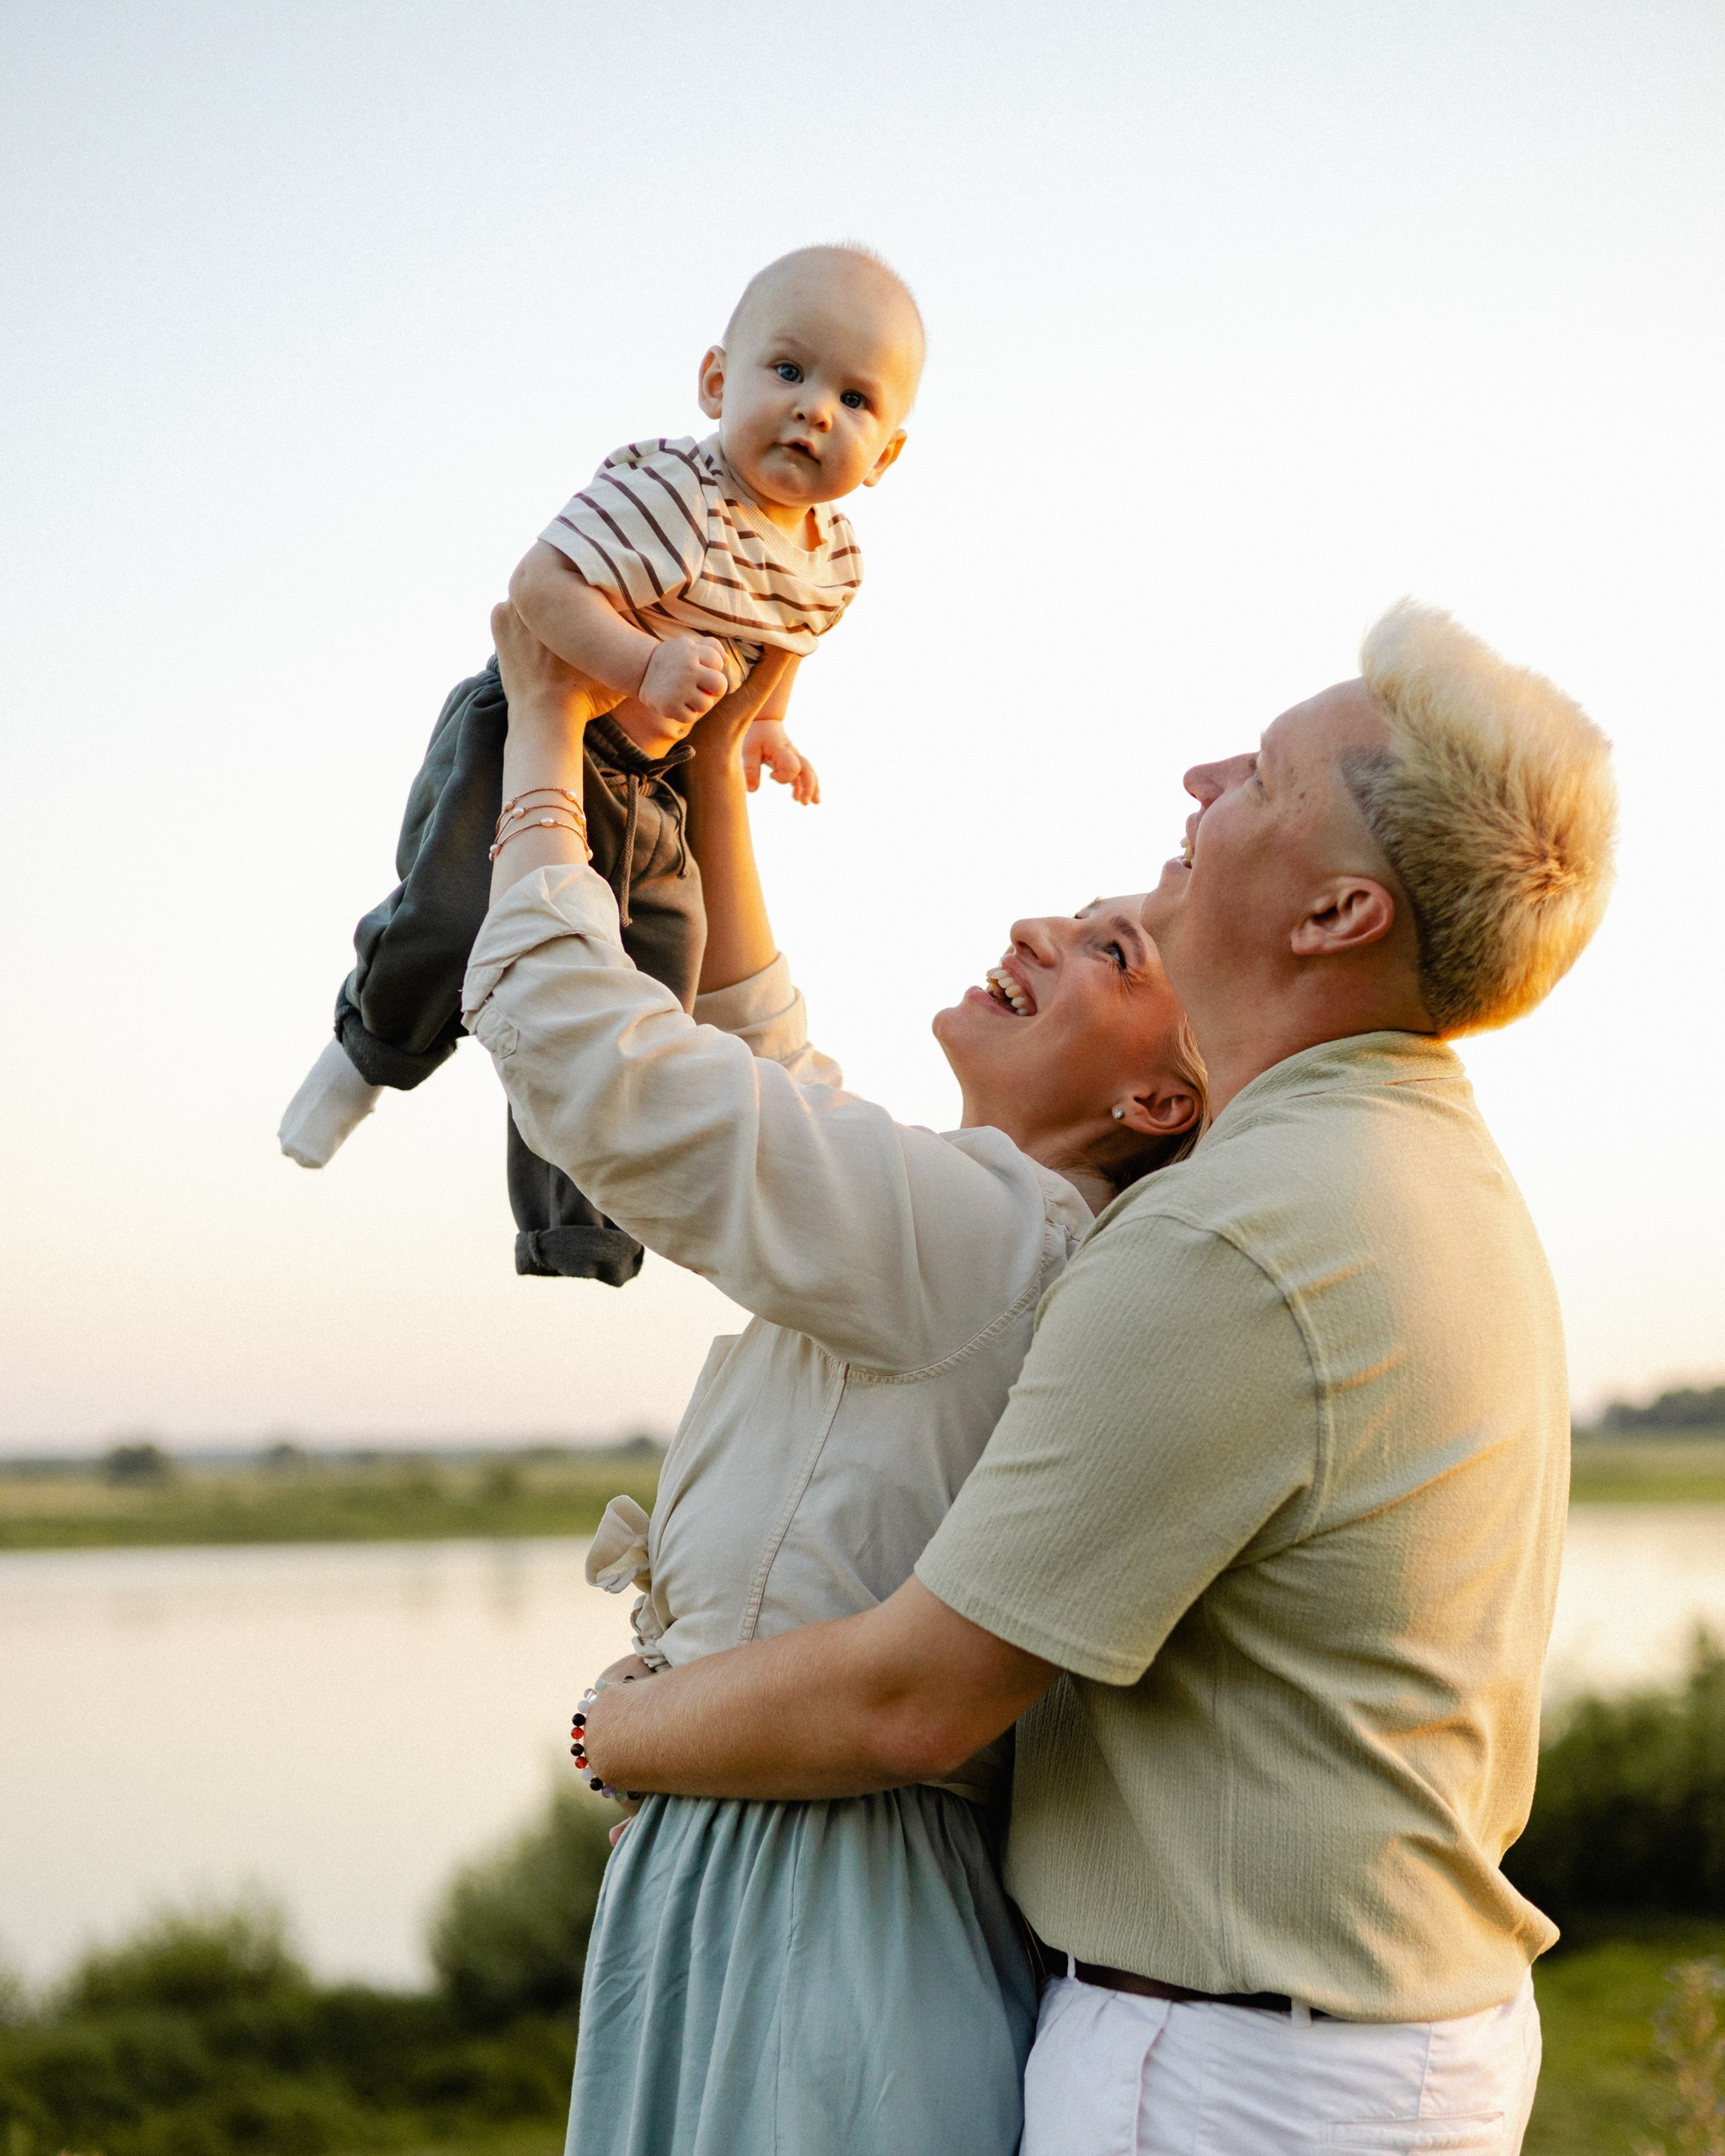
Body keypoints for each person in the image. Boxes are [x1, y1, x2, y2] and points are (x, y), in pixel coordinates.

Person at [577, 600, 1619, 2156]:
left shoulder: (1238, 1234)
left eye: (1261, 779)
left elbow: (912, 1698)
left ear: (1337, 913)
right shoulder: (1404, 1162)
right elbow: (829, 1145)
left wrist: (617, 1735)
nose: (1200, 784)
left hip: (1227, 2079)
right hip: (1362, 2047)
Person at [460, 604, 1206, 2154]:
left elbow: (610, 1073)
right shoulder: (989, 1230)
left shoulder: (982, 1237)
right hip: (793, 1892)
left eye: (1108, 949)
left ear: (1156, 1094)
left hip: (824, 1925)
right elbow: (769, 1069)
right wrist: (722, 767)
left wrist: (539, 731)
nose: (1035, 930)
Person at [277, 244, 924, 1284]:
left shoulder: (833, 560)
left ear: (885, 453)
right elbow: (536, 589)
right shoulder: (677, 493)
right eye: (788, 373)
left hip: (651, 780)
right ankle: (366, 1056)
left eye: (854, 398)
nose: (813, 412)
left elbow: (785, 640)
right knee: (451, 918)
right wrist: (640, 659)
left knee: (638, 994)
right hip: (529, 723)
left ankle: (581, 1227)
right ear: (718, 382)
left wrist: (763, 726)